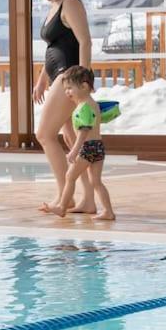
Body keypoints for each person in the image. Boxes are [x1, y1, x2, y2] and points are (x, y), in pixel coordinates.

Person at [29, 0, 97, 214]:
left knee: (45, 134)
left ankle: (64, 197)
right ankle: (87, 200)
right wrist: (41, 80)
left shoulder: (70, 2)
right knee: (71, 140)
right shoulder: (54, 5)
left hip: (70, 76)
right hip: (57, 74)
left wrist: (83, 81)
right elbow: (53, 48)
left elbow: (85, 42)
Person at [42, 66, 116, 220]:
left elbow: (83, 131)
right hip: (98, 147)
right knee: (96, 182)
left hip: (87, 147)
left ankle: (62, 207)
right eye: (65, 89)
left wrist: (75, 150)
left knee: (70, 176)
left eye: (70, 88)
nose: (67, 92)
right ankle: (108, 212)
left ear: (84, 86)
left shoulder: (83, 107)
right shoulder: (93, 103)